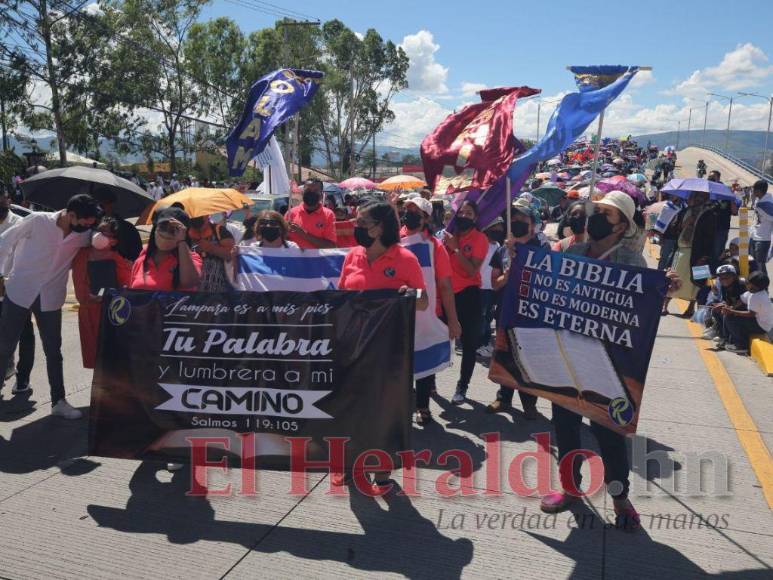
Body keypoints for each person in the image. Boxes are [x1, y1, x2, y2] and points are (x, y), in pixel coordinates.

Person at [539, 191, 647, 531]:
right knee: (565, 428)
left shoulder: (632, 262)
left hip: (608, 364)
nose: (595, 218)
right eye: (595, 211)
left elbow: (640, 311)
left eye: (605, 214)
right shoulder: (573, 252)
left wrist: (662, 291)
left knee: (609, 434)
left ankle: (619, 497)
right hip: (568, 356)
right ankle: (570, 487)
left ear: (622, 226)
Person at [336, 200, 428, 493]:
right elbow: (340, 296)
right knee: (352, 408)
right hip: (354, 347)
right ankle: (350, 464)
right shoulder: (352, 255)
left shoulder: (405, 259)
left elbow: (424, 301)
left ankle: (382, 471)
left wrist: (410, 294)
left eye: (363, 223)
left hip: (389, 351)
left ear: (380, 227)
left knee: (384, 411)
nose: (357, 227)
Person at [0, 194, 100, 419]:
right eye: (84, 221)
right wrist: (1, 273)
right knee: (5, 346)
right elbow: (5, 241)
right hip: (19, 291)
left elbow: (97, 242)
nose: (87, 226)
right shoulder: (38, 220)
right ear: (70, 214)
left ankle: (58, 401)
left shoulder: (83, 234)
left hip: (50, 297)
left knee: (54, 350)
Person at [401, 197, 461, 424]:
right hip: (400, 313)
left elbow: (445, 285)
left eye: (415, 212)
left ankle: (422, 406)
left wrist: (453, 320)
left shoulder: (435, 246)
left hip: (428, 312)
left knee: (425, 361)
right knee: (401, 362)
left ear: (425, 218)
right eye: (407, 210)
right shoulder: (393, 240)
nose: (409, 214)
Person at [485, 202, 541, 418]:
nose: (517, 223)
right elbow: (494, 283)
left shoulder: (542, 251)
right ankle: (503, 398)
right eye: (514, 220)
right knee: (505, 356)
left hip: (529, 315)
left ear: (532, 225)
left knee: (528, 360)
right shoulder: (501, 251)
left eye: (522, 220)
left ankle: (529, 402)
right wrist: (507, 275)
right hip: (505, 313)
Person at [72, 217, 133, 369]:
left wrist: (110, 296)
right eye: (98, 230)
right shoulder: (81, 254)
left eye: (105, 232)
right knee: (95, 359)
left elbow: (127, 288)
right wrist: (88, 297)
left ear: (114, 240)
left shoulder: (117, 260)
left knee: (111, 361)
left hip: (110, 314)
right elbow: (78, 282)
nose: (99, 234)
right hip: (89, 314)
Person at [443, 200, 488, 405]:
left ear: (476, 218)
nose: (464, 216)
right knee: (437, 338)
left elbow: (471, 270)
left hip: (468, 295)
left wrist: (456, 249)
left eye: (469, 213)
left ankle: (462, 387)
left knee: (469, 344)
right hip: (446, 294)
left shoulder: (480, 238)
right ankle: (430, 382)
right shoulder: (449, 236)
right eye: (461, 212)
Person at [0, 191, 35, 392]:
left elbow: (26, 257)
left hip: (17, 288)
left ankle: (23, 378)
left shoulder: (21, 224)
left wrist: (9, 279)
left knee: (24, 334)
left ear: (7, 200)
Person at [663, 191, 716, 318]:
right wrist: (686, 223)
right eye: (694, 197)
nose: (695, 199)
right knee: (674, 278)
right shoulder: (685, 211)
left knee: (697, 283)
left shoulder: (710, 214)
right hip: (682, 250)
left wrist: (705, 257)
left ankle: (690, 309)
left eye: (699, 197)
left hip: (700, 255)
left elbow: (710, 237)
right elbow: (675, 229)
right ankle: (664, 305)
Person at [130, 207, 202, 292]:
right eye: (163, 227)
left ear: (184, 234)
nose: (167, 233)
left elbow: (190, 282)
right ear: (155, 228)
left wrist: (181, 241)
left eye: (173, 230)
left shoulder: (191, 258)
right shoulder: (143, 258)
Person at [718, 272, 773, 354]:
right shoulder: (752, 292)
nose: (746, 285)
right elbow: (742, 300)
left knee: (730, 319)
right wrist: (731, 307)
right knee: (729, 315)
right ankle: (729, 339)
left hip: (762, 326)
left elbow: (750, 314)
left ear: (754, 286)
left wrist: (732, 311)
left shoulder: (756, 296)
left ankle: (741, 346)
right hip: (758, 321)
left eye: (748, 283)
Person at [285, 179, 337, 249]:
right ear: (302, 192)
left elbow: (330, 246)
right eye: (308, 190)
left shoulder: (328, 215)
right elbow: (282, 241)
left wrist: (304, 234)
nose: (311, 193)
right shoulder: (290, 213)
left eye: (315, 191)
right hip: (294, 256)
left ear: (321, 194)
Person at [188, 215, 235, 292]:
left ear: (207, 216)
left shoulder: (219, 230)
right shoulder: (185, 233)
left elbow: (232, 254)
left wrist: (211, 248)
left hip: (216, 287)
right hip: (190, 287)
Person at [478, 218, 504, 357]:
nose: (498, 231)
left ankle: (484, 342)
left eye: (500, 228)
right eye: (495, 228)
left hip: (492, 287)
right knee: (482, 317)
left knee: (488, 316)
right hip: (480, 286)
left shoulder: (498, 246)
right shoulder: (481, 244)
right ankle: (481, 344)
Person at [94, 191, 143, 261]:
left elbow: (137, 256)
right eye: (95, 207)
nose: (99, 210)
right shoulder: (90, 228)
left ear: (112, 205)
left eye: (101, 206)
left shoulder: (128, 228)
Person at [705, 264, 747, 343]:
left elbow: (743, 301)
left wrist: (730, 308)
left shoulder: (741, 285)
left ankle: (730, 339)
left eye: (727, 277)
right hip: (735, 308)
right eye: (721, 278)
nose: (724, 280)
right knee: (716, 310)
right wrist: (722, 305)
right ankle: (722, 334)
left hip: (745, 311)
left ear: (734, 276)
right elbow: (726, 300)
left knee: (727, 315)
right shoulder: (724, 286)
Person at [708, 171, 736, 265]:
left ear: (718, 178)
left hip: (721, 228)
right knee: (705, 253)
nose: (710, 179)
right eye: (709, 177)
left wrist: (731, 197)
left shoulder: (726, 191)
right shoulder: (706, 190)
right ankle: (705, 273)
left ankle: (716, 271)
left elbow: (734, 211)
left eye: (713, 177)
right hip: (707, 228)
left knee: (718, 252)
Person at [749, 180, 772, 276]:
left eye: (753, 189)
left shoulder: (768, 204)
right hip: (754, 235)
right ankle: (756, 283)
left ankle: (763, 284)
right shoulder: (759, 200)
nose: (752, 191)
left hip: (763, 239)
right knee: (753, 263)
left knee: (760, 266)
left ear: (758, 190)